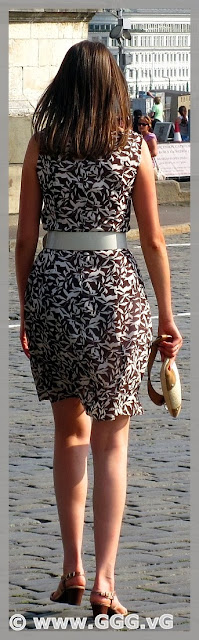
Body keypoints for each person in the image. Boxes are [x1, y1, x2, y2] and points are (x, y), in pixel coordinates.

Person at [15, 40, 182, 619]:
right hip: (116, 298)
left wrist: (27, 306)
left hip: (56, 294)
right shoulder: (131, 150)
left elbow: (24, 240)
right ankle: (108, 580)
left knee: (68, 435)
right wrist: (167, 315)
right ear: (115, 90)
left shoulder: (43, 146)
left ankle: (71, 571)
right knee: (113, 441)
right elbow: (156, 240)